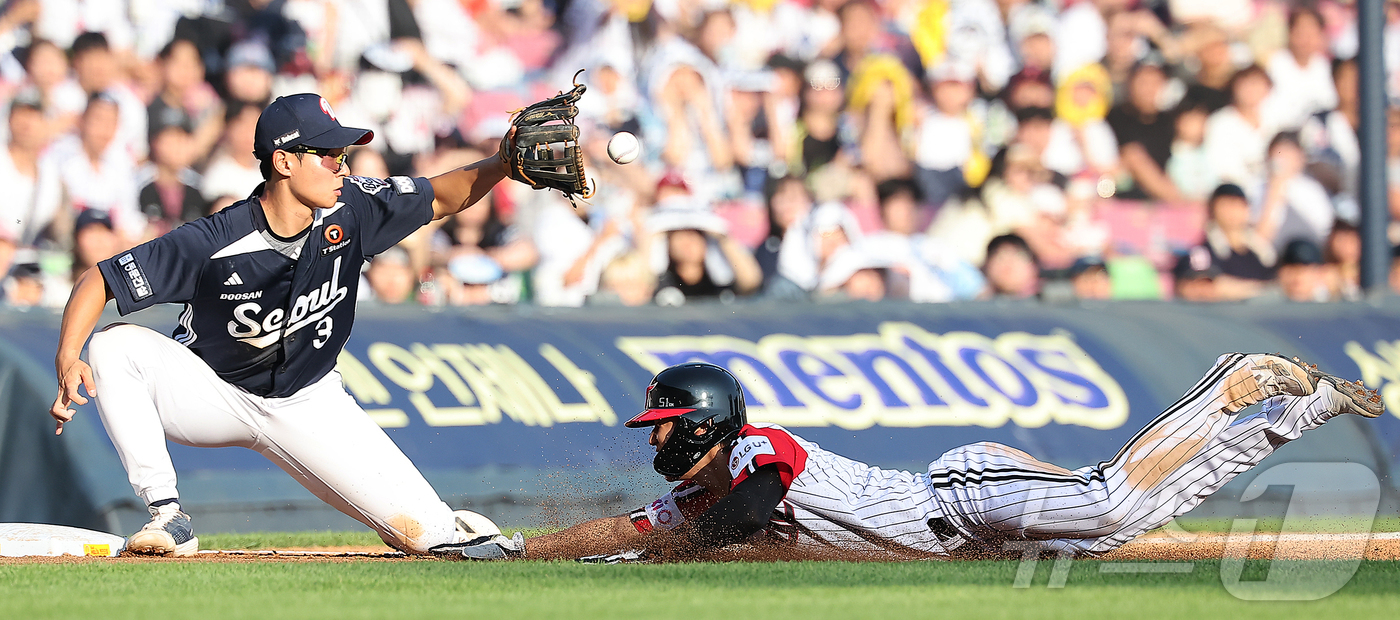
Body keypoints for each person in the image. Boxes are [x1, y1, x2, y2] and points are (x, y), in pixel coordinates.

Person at [48, 93, 527, 557]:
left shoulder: (352, 208)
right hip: (210, 392)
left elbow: (439, 198)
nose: (342, 164)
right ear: (284, 162)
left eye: (342, 153)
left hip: (309, 399)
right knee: (113, 345)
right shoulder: (216, 238)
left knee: (428, 534)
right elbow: (100, 278)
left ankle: (448, 525)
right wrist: (68, 355)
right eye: (328, 154)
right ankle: (167, 514)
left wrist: (502, 165)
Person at [447, 359, 1383, 561]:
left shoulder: (756, 450)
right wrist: (527, 550)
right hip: (962, 532)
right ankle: (1293, 418)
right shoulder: (698, 502)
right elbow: (621, 526)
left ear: (701, 422)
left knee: (1105, 503)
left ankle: (1224, 384)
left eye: (659, 421)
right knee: (1120, 527)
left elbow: (751, 506)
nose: (652, 436)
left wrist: (672, 552)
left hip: (960, 496)